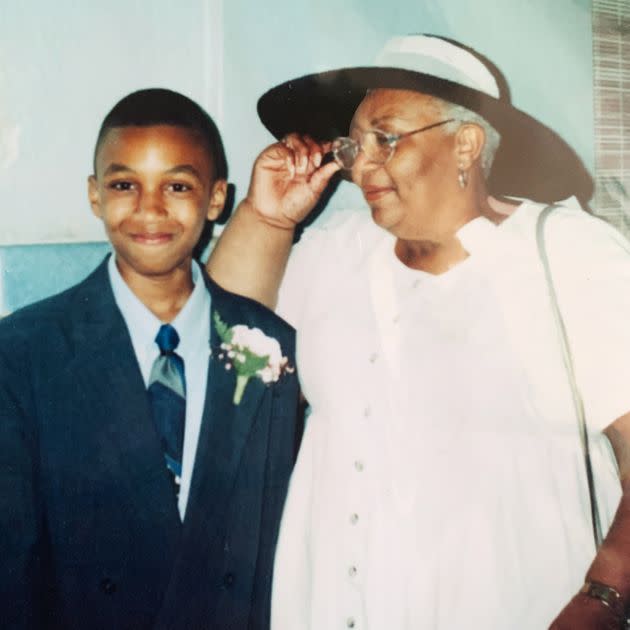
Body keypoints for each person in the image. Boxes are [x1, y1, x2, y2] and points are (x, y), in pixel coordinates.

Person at [208, 35, 630, 629]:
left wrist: (604, 597)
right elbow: (225, 342)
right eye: (356, 144)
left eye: (387, 138)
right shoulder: (334, 256)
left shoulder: (566, 253)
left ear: (466, 144)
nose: (362, 164)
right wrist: (267, 218)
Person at [0, 88, 300, 629]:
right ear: (95, 195)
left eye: (178, 186)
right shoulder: (24, 353)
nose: (150, 209)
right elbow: (12, 570)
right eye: (124, 185)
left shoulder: (271, 347)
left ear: (216, 199)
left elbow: (274, 547)